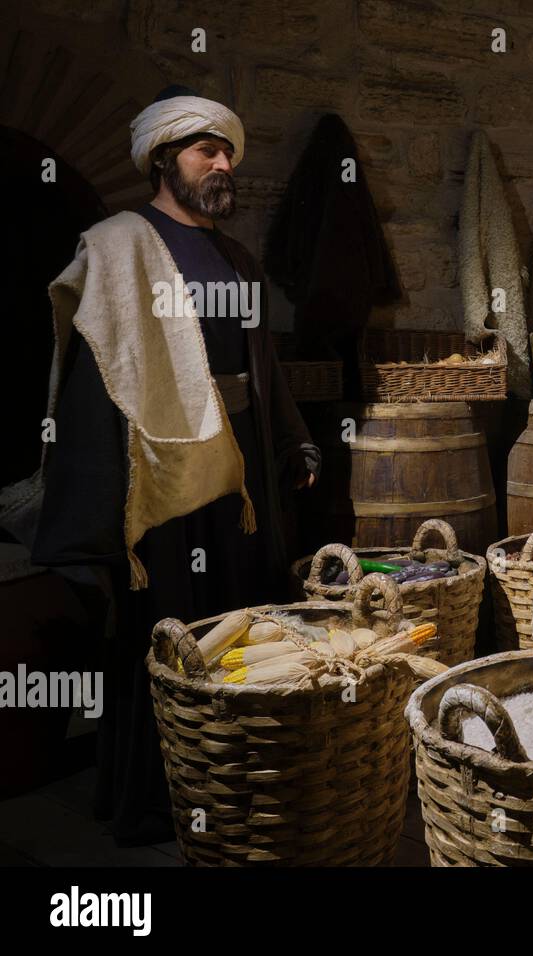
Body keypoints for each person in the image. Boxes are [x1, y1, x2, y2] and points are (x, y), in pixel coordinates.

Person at [17, 86, 319, 845]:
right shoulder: (117, 243)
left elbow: (264, 365)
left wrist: (291, 441)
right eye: (205, 151)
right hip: (162, 479)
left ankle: (240, 782)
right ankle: (159, 798)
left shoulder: (235, 256)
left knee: (242, 630)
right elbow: (98, 375)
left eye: (228, 153)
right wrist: (98, 500)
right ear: (162, 160)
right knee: (169, 635)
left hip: (237, 478)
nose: (222, 164)